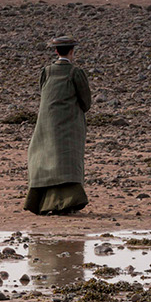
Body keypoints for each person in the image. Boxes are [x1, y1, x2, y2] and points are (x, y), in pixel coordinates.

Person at [25, 35, 93, 215]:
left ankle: (42, 203)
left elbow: (44, 93)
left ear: (56, 51)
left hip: (46, 123)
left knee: (47, 158)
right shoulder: (75, 72)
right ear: (72, 51)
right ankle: (67, 203)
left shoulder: (46, 71)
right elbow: (86, 102)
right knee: (67, 160)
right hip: (69, 123)